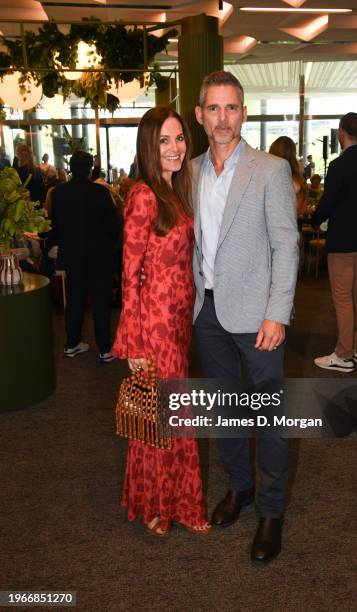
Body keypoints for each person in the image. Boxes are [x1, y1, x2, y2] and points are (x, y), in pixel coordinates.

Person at [192, 71, 299, 564]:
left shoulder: (270, 169)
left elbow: (286, 245)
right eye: (213, 108)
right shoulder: (190, 171)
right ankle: (240, 488)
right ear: (200, 115)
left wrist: (278, 314)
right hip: (206, 312)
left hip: (258, 318)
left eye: (231, 108)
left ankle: (272, 511)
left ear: (244, 112)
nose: (222, 118)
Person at [112, 107, 210, 536]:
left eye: (179, 139)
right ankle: (158, 505)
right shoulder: (144, 195)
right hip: (152, 324)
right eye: (164, 141)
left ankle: (180, 503)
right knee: (161, 417)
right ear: (149, 148)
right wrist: (133, 343)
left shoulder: (176, 191)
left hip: (177, 321)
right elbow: (129, 274)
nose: (174, 149)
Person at [312, 113, 357, 373]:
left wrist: (314, 219)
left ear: (341, 132)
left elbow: (328, 202)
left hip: (342, 242)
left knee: (343, 299)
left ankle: (343, 355)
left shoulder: (338, 166)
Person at [48, 150, 120, 362]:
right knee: (101, 301)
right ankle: (105, 349)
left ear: (70, 167)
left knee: (75, 298)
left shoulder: (58, 193)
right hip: (99, 255)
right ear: (90, 169)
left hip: (72, 254)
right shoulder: (100, 192)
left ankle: (72, 343)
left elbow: (56, 225)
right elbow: (114, 225)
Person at [269, 136, 307, 216]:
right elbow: (300, 210)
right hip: (286, 225)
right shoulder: (296, 181)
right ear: (293, 155)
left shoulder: (263, 177)